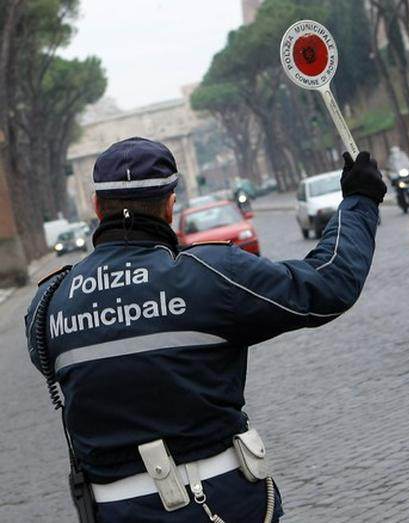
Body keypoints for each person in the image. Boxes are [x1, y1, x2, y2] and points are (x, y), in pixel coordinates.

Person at [25, 137, 386, 522]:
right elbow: (329, 283)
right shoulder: (211, 275)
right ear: (169, 205)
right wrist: (359, 202)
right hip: (220, 503)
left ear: (97, 207)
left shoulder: (48, 303)